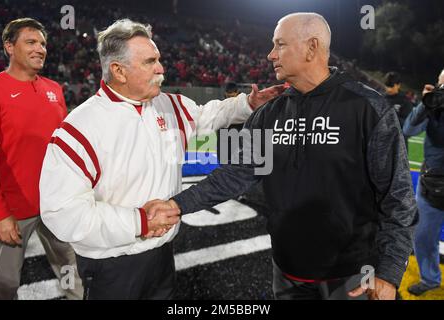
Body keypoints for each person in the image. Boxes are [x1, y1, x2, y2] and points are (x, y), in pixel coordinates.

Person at [147, 12, 418, 300]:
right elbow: (235, 174)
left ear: (312, 47)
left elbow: (398, 197)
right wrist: (177, 205)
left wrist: (389, 272)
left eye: (280, 44)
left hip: (353, 277)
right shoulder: (268, 114)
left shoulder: (367, 108)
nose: (270, 54)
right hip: (287, 273)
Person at [38, 19, 283, 300]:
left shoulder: (168, 104)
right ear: (118, 71)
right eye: (150, 62)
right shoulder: (80, 128)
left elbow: (207, 115)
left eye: (159, 59)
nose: (161, 68)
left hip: (163, 254)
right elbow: (61, 212)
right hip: (112, 263)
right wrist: (139, 222)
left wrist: (247, 104)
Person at [0, 18, 82, 300]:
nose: (40, 49)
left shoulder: (54, 90)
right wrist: (0, 215)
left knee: (72, 271)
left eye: (43, 43)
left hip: (56, 204)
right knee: (3, 283)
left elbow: (64, 147)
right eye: (31, 42)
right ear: (9, 46)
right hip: (14, 210)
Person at [404, 70, 444, 296]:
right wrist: (425, 104)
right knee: (423, 236)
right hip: (432, 183)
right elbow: (408, 130)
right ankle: (430, 278)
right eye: (442, 86)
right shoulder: (433, 106)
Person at [383, 71, 413, 152]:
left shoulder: (405, 101)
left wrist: (390, 118)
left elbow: (408, 125)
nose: (388, 89)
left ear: (398, 85)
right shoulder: (380, 98)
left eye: (391, 86)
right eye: (387, 86)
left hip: (399, 144)